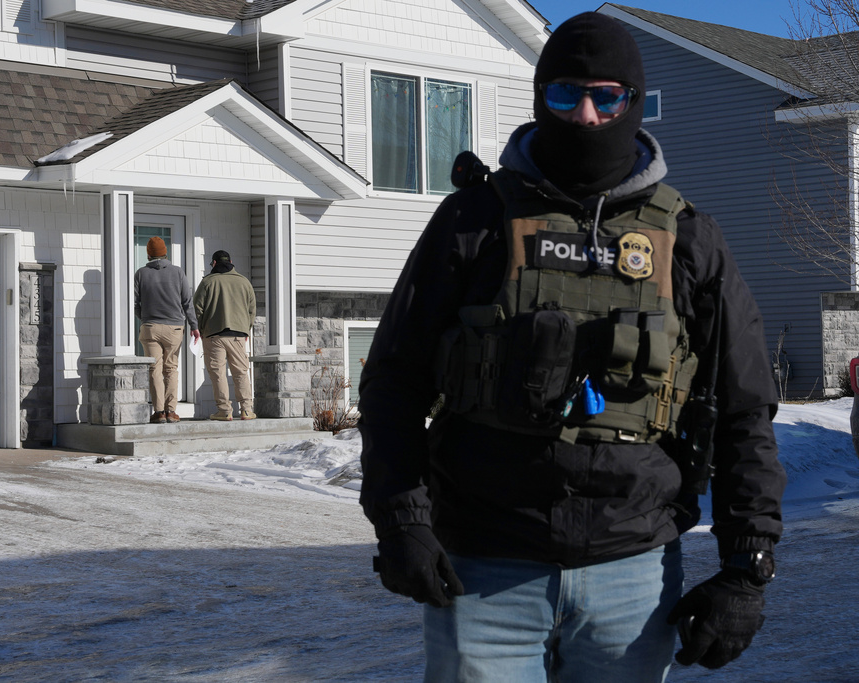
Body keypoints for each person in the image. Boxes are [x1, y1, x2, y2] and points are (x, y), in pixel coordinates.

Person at [358, 12, 785, 683]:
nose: (585, 115)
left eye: (605, 96)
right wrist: (401, 520)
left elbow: (744, 409)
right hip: (484, 565)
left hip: (633, 571)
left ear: (633, 103)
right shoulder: (475, 220)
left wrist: (747, 566)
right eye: (565, 95)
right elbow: (393, 380)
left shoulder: (691, 240)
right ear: (540, 99)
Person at [134, 236, 200, 424]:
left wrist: (144, 317)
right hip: (174, 328)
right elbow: (187, 302)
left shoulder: (141, 274)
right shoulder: (178, 272)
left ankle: (159, 411)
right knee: (171, 368)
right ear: (165, 253)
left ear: (148, 254)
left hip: (151, 327)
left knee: (155, 369)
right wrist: (194, 326)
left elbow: (135, 302)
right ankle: (171, 411)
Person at [193, 250, 257, 421]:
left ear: (214, 263)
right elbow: (252, 310)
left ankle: (224, 410)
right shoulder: (244, 282)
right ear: (231, 261)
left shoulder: (208, 282)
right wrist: (246, 329)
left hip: (214, 335)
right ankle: (246, 410)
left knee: (218, 373)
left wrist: (201, 328)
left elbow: (197, 308)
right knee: (241, 372)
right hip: (238, 335)